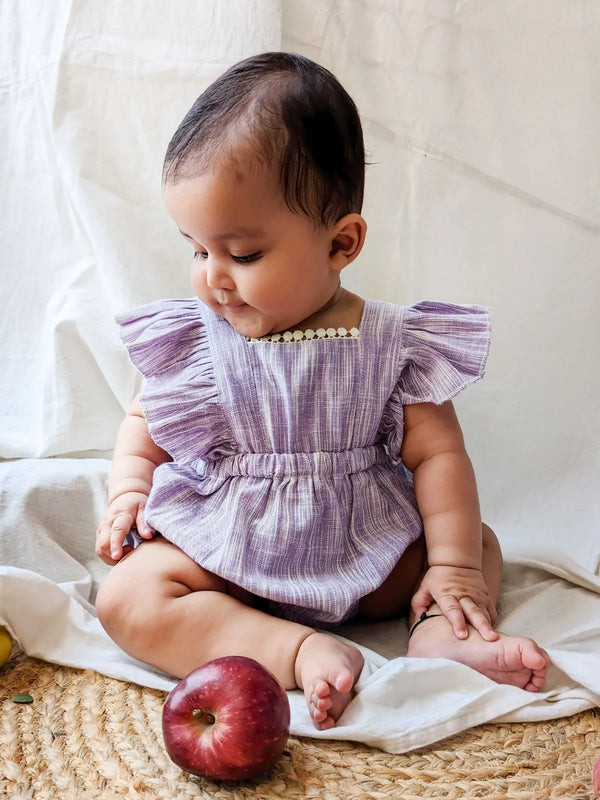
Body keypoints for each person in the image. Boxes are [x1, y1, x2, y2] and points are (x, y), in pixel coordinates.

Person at [95, 52, 550, 730]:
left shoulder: (395, 343)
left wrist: (452, 568)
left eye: (242, 254)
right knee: (127, 596)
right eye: (197, 250)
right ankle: (291, 647)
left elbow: (439, 458)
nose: (213, 278)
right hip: (232, 552)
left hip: (363, 546)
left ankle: (436, 629)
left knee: (475, 542)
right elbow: (145, 418)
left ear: (341, 243)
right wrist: (131, 489)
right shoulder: (199, 338)